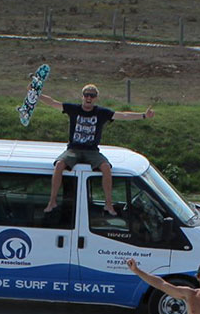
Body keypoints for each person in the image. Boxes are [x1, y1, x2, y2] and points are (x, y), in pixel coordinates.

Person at [40, 85, 154, 216]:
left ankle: (108, 204)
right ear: (82, 96)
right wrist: (37, 94)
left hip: (92, 151)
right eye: (86, 95)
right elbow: (53, 103)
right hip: (73, 149)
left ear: (96, 98)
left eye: (92, 95)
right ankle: (52, 201)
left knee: (106, 167)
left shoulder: (101, 112)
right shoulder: (73, 109)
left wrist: (144, 115)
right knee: (59, 165)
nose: (89, 98)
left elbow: (123, 115)